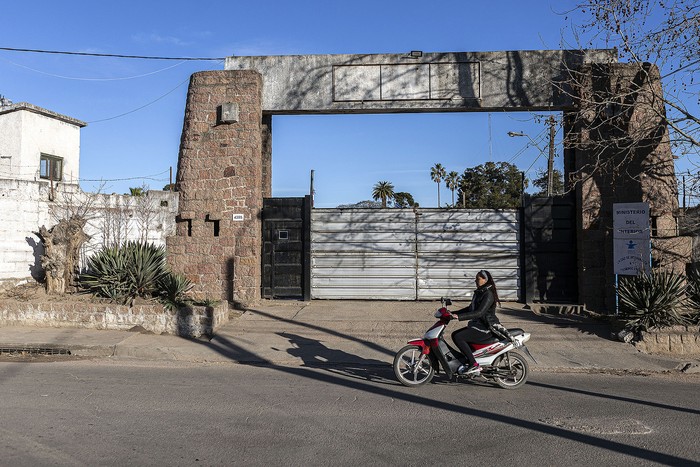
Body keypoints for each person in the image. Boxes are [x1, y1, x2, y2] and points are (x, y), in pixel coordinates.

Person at [450, 269, 513, 375]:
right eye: (475, 279)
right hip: (477, 325)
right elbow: (471, 308)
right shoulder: (479, 292)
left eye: (478, 279)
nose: (475, 281)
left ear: (485, 280)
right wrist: (452, 314)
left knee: (458, 337)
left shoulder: (488, 294)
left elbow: (479, 312)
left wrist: (459, 317)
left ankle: (473, 364)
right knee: (455, 334)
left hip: (486, 328)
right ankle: (469, 359)